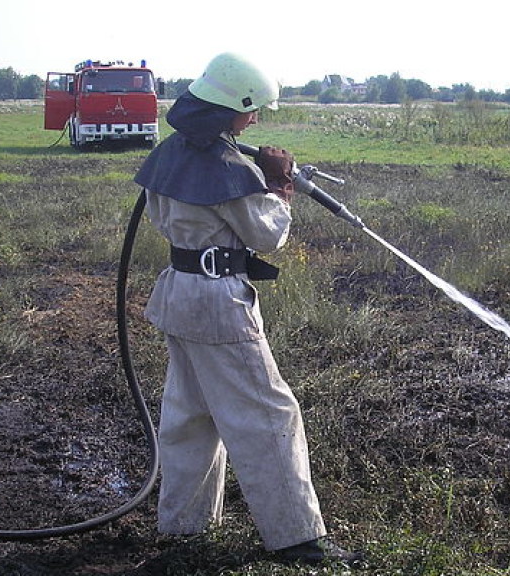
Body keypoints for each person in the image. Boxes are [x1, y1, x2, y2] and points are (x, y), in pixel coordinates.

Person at [133, 52, 362, 567]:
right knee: (269, 415)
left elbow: (158, 213)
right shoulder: (227, 168)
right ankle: (299, 539)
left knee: (191, 415)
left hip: (179, 291)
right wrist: (280, 187)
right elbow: (267, 234)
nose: (256, 119)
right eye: (252, 109)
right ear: (229, 109)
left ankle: (184, 529)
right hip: (218, 304)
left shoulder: (172, 154)